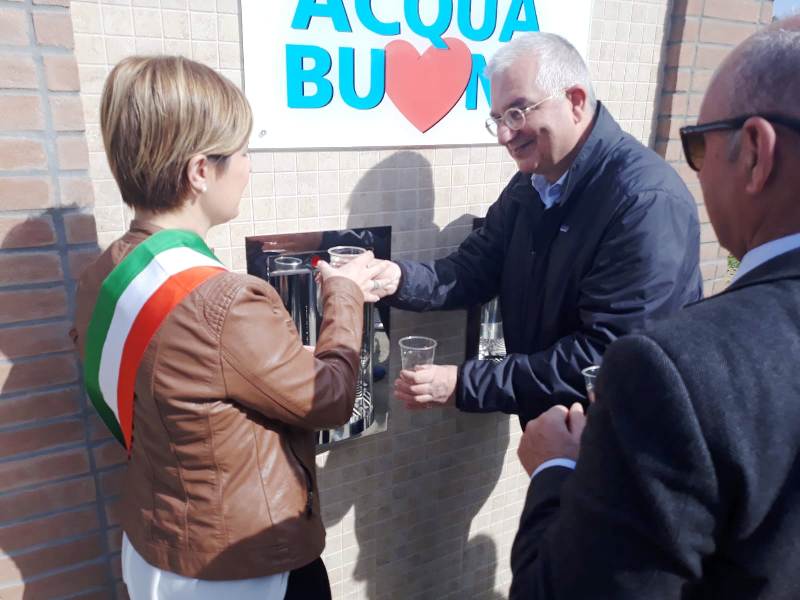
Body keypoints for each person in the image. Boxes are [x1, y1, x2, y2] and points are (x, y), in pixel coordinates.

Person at [71, 56, 383, 599]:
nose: (248, 167)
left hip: (155, 551)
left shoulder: (105, 275)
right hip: (245, 571)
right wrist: (345, 295)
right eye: (242, 152)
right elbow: (330, 400)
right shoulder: (226, 302)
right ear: (200, 171)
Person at [511, 17, 800, 599]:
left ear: (755, 154)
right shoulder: (528, 186)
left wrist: (555, 470)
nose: (695, 169)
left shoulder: (673, 373)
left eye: (698, 145)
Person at [372, 32, 702, 425]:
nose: (504, 135)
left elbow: (608, 356)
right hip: (553, 425)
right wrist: (394, 278)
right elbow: (475, 268)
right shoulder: (533, 182)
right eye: (497, 119)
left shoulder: (644, 202)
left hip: (620, 438)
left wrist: (464, 383)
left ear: (575, 101)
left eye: (517, 113)